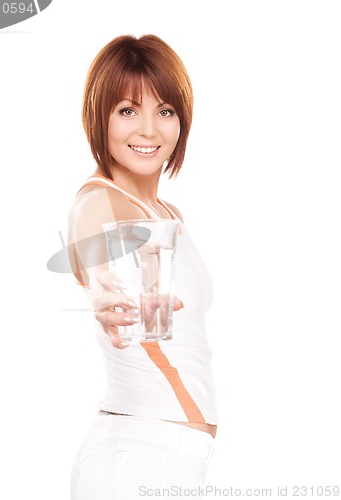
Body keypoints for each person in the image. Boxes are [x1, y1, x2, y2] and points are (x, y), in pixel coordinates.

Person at [68, 34, 218, 500]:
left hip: (175, 459)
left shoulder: (169, 214)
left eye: (165, 110)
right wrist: (103, 294)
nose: (149, 130)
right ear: (101, 117)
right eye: (128, 110)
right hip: (133, 458)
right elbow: (94, 256)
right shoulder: (99, 202)